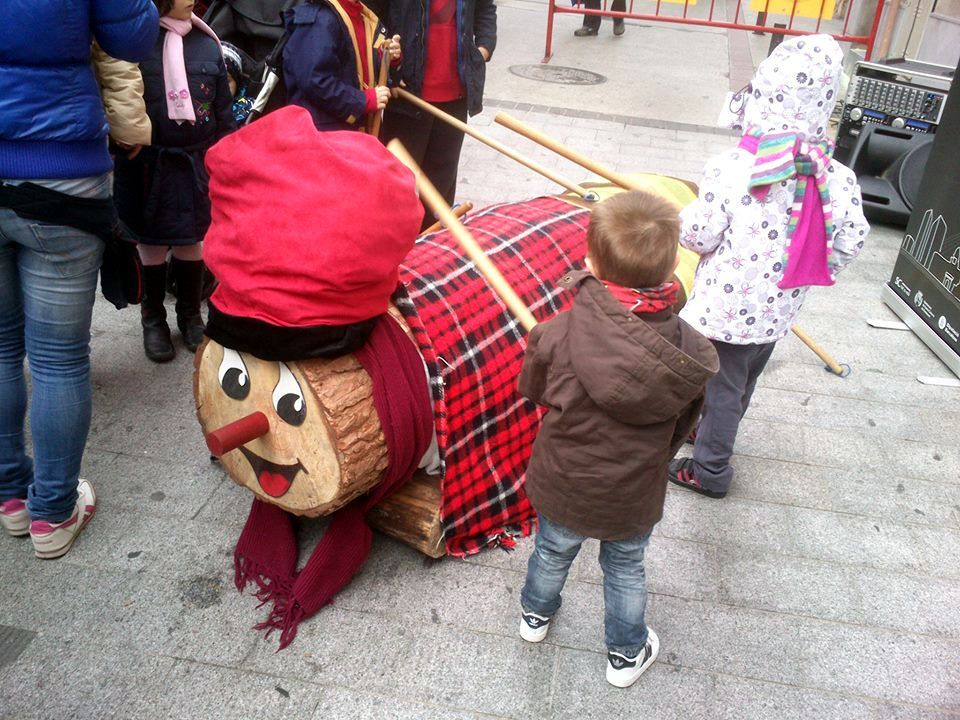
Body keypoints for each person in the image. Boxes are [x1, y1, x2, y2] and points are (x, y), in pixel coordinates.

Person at [516, 191, 719, 688]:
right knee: (626, 567)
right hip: (632, 489)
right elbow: (681, 425)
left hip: (564, 479)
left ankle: (535, 617)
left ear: (590, 262)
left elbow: (534, 390)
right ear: (673, 265)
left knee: (550, 551)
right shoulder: (688, 351)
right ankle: (626, 655)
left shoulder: (556, 333)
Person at [667, 35, 870, 499]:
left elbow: (699, 235)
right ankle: (715, 433)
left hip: (724, 311)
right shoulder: (833, 175)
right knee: (742, 382)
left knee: (720, 387)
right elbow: (852, 238)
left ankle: (710, 470)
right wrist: (818, 267)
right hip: (779, 310)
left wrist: (686, 226)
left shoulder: (735, 166)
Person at [0, 0, 159, 558]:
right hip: (59, 170)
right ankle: (52, 512)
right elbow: (136, 36)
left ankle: (10, 497)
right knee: (58, 359)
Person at [114, 0, 235, 363]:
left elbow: (223, 113)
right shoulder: (134, 40)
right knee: (150, 240)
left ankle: (190, 315)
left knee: (191, 238)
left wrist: (226, 158)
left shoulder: (206, 43)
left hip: (194, 162)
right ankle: (153, 320)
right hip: (148, 163)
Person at [372, 0, 496, 230]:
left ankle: (430, 255)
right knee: (395, 187)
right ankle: (392, 254)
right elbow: (372, 13)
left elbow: (485, 8)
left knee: (440, 192)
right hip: (408, 95)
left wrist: (483, 50)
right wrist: (387, 56)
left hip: (455, 97)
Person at [282, 0, 401, 132]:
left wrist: (388, 58)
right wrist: (363, 101)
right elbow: (315, 81)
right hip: (322, 136)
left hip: (352, 134)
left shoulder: (363, 16)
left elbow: (361, 71)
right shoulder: (320, 18)